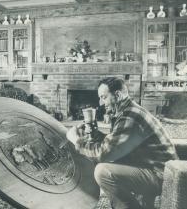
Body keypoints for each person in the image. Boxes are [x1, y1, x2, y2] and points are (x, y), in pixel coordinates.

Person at [66, 77, 178, 209]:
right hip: (155, 169)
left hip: (162, 175)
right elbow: (117, 144)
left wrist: (76, 140)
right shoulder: (128, 110)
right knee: (107, 164)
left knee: (103, 171)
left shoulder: (130, 116)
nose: (101, 103)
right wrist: (97, 136)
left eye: (104, 97)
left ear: (118, 95)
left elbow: (104, 154)